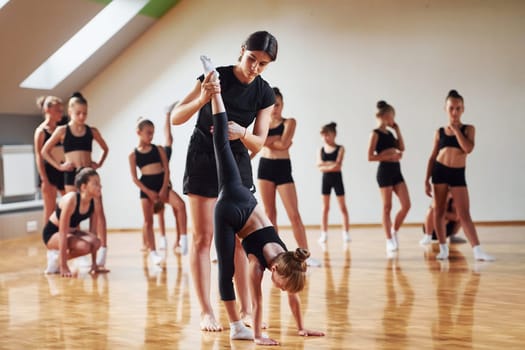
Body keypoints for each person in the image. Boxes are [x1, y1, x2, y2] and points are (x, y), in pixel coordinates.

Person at [203, 56, 324, 345]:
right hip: (230, 209)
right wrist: (258, 336)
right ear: (278, 271)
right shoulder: (259, 264)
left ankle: (216, 90)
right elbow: (256, 304)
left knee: (222, 144)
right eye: (281, 287)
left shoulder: (289, 259)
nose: (282, 291)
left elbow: (292, 291)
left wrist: (301, 326)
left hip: (242, 196)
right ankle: (236, 328)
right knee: (226, 273)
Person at [171, 31, 278, 331]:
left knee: (239, 244)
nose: (255, 67)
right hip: (203, 158)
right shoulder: (214, 76)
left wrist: (242, 133)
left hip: (236, 160)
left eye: (263, 64)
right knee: (203, 238)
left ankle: (247, 310)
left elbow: (259, 143)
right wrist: (204, 97)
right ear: (242, 50)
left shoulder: (264, 93)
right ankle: (206, 311)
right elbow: (176, 117)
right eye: (252, 59)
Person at [424, 90, 494, 261]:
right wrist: (426, 179)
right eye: (451, 108)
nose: (454, 112)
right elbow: (433, 156)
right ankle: (443, 249)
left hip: (457, 173)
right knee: (438, 210)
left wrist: (456, 130)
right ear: (445, 109)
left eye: (458, 108)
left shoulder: (468, 129)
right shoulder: (439, 132)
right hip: (439, 171)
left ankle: (478, 251)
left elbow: (468, 149)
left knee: (464, 213)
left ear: (463, 109)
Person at [42, 92, 109, 267]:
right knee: (73, 217)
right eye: (78, 113)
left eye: (85, 113)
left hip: (89, 177)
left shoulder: (91, 131)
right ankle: (69, 254)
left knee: (99, 213)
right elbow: (44, 151)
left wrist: (98, 163)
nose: (82, 116)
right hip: (71, 178)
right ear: (70, 112)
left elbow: (105, 148)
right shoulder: (62, 131)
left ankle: (101, 250)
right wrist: (59, 166)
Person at [256, 87, 321, 266]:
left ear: (283, 104)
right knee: (270, 215)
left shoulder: (290, 122)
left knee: (294, 215)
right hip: (265, 168)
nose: (275, 108)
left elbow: (283, 143)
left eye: (278, 104)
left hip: (283, 168)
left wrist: (265, 142)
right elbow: (263, 144)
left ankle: (305, 256)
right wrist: (275, 142)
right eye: (272, 105)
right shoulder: (262, 123)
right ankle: (276, 256)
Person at [129, 118, 188, 265]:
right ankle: (154, 252)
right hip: (146, 188)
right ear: (139, 132)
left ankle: (183, 238)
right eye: (148, 133)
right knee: (148, 221)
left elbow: (166, 169)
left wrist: (163, 189)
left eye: (153, 133)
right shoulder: (133, 155)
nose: (151, 136)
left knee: (180, 205)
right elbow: (135, 179)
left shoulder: (159, 149)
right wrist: (149, 192)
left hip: (161, 184)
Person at [42, 168, 108, 277]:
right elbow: (62, 233)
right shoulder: (71, 199)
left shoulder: (95, 200)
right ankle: (58, 260)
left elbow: (93, 232)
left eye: (99, 183)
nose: (100, 186)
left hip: (71, 232)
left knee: (96, 242)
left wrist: (94, 265)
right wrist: (64, 266)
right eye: (95, 183)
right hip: (53, 234)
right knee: (84, 246)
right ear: (83, 187)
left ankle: (57, 259)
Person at [367, 100, 411, 253]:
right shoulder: (375, 134)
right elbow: (370, 157)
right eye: (393, 116)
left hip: (396, 171)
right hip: (384, 172)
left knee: (406, 205)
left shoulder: (391, 133)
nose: (394, 120)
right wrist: (388, 156)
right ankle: (388, 239)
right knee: (387, 207)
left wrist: (398, 130)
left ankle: (394, 230)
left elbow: (402, 148)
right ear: (385, 116)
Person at [156, 102, 188, 254]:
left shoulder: (162, 153)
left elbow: (168, 139)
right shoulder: (150, 155)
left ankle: (179, 239)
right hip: (155, 187)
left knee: (178, 209)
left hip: (165, 185)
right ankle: (161, 238)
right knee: (158, 210)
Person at [34, 96, 66, 226]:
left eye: (61, 110)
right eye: (58, 110)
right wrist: (44, 179)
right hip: (48, 173)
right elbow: (38, 156)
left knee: (67, 204)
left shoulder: (60, 130)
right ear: (48, 110)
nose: (60, 113)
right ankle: (49, 241)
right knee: (50, 209)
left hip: (62, 171)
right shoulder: (41, 132)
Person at [317, 122, 351, 244]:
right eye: (323, 135)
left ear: (334, 134)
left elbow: (338, 166)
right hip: (326, 180)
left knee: (343, 207)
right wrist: (331, 165)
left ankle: (346, 233)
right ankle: (324, 234)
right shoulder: (321, 150)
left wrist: (326, 165)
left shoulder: (340, 148)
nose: (325, 138)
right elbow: (319, 166)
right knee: (325, 208)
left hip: (337, 179)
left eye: (328, 135)